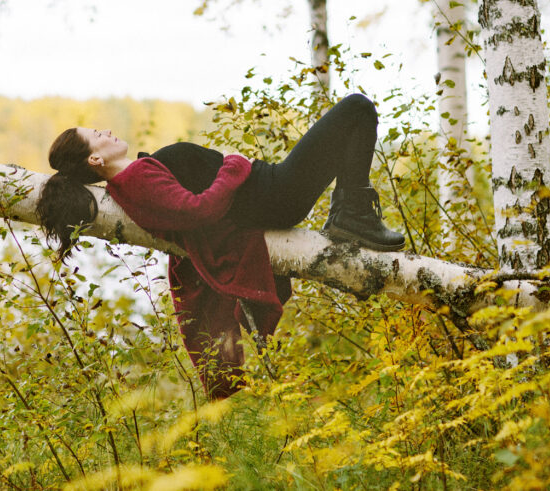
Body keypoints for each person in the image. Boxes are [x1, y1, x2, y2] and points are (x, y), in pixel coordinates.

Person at [37, 93, 404, 398]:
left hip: (272, 190)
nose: (107, 131)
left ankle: (352, 212)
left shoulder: (133, 178)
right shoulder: (134, 181)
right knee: (356, 109)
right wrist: (233, 165)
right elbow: (197, 212)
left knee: (353, 116)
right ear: (94, 159)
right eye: (97, 133)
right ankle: (352, 214)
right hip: (275, 193)